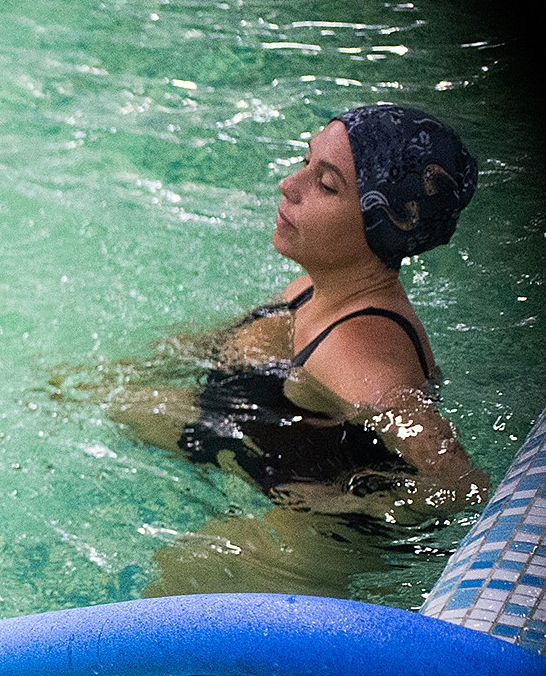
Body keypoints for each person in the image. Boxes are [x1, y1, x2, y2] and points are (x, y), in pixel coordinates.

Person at [110, 104, 489, 593]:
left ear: (381, 224)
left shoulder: (364, 364)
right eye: (305, 162)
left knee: (181, 575)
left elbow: (463, 487)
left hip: (326, 529)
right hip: (271, 446)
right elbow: (210, 344)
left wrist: (345, 504)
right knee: (113, 400)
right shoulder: (312, 287)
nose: (290, 184)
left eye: (326, 184)